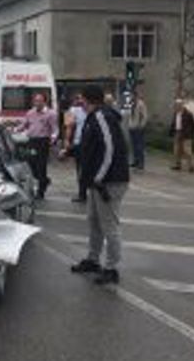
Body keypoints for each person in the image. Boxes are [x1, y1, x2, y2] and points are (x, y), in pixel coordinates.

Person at [70, 85, 130, 285]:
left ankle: (111, 268)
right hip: (99, 181)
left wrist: (99, 177)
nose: (79, 102)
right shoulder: (94, 117)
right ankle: (93, 260)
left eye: (81, 98)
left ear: (89, 99)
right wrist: (71, 151)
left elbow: (109, 149)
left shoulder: (102, 116)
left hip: (109, 181)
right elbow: (91, 146)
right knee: (94, 220)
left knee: (109, 226)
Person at [17, 93, 58, 199]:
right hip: (32, 141)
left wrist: (53, 138)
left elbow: (54, 128)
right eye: (36, 101)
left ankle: (41, 192)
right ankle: (44, 180)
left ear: (45, 102)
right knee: (31, 164)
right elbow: (24, 124)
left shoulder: (51, 114)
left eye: (40, 101)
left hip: (43, 142)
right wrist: (16, 129)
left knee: (41, 166)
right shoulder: (30, 113)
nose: (37, 103)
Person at [65, 94, 88, 203]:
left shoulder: (93, 111)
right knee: (81, 170)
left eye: (82, 99)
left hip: (92, 144)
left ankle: (92, 192)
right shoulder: (74, 110)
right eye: (78, 99)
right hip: (79, 144)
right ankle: (82, 193)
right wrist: (67, 140)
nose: (80, 101)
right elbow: (69, 126)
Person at [169, 99, 194, 173]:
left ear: (182, 105)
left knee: (187, 151)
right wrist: (171, 131)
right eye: (176, 105)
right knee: (177, 150)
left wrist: (191, 133)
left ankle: (191, 166)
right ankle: (178, 165)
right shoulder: (176, 113)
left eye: (178, 105)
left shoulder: (188, 114)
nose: (177, 107)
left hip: (186, 134)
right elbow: (173, 123)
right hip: (177, 132)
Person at [128, 90, 148, 170]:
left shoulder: (141, 104)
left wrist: (141, 125)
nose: (131, 97)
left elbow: (144, 116)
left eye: (132, 96)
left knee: (139, 146)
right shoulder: (131, 104)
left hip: (138, 128)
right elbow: (130, 115)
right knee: (134, 146)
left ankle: (141, 163)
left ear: (135, 96)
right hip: (132, 127)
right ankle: (136, 161)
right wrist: (130, 125)